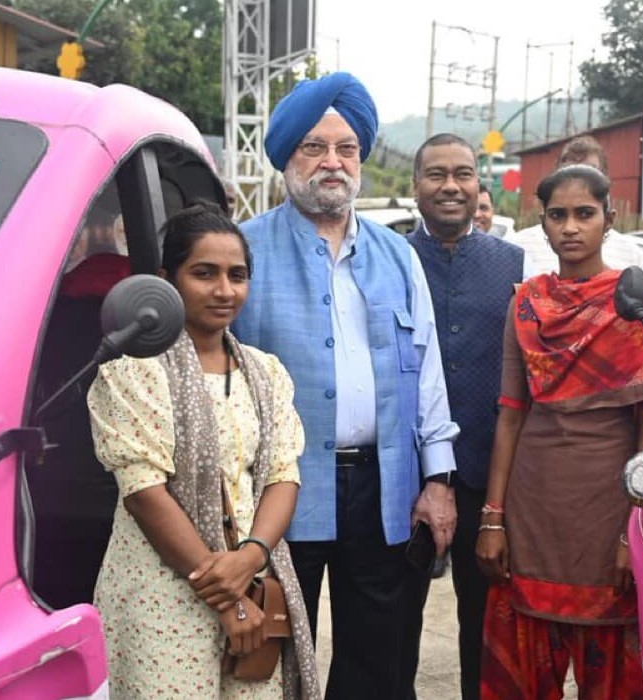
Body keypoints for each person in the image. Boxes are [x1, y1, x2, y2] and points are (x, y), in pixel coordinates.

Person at [230, 72, 459, 700]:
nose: (332, 162)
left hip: (384, 485)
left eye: (347, 148)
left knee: (379, 658)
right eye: (314, 147)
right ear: (286, 157)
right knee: (273, 658)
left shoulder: (397, 254)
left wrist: (437, 480)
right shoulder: (243, 251)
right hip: (277, 490)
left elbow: (427, 372)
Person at [87, 203, 321, 700]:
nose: (223, 290)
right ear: (165, 279)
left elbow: (283, 475)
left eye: (237, 276)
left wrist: (251, 556)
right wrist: (227, 598)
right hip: (161, 591)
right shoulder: (133, 370)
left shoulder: (265, 373)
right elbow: (144, 492)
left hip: (253, 584)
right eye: (204, 273)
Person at [476, 165, 643, 700]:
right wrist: (493, 519)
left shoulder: (640, 304)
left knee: (611, 670)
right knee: (526, 669)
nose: (570, 227)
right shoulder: (526, 303)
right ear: (541, 224)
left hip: (609, 507)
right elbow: (511, 414)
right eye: (558, 216)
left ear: (608, 220)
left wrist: (636, 531)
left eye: (584, 214)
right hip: (534, 507)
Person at [405, 133, 529, 700]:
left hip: (486, 471)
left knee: (483, 625)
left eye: (462, 173)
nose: (450, 186)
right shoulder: (390, 257)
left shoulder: (512, 263)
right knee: (392, 623)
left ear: (480, 182)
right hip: (403, 477)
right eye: (436, 174)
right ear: (415, 187)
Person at [508, 134, 643, 275]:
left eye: (585, 214)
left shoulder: (631, 254)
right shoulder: (520, 247)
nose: (570, 228)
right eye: (570, 173)